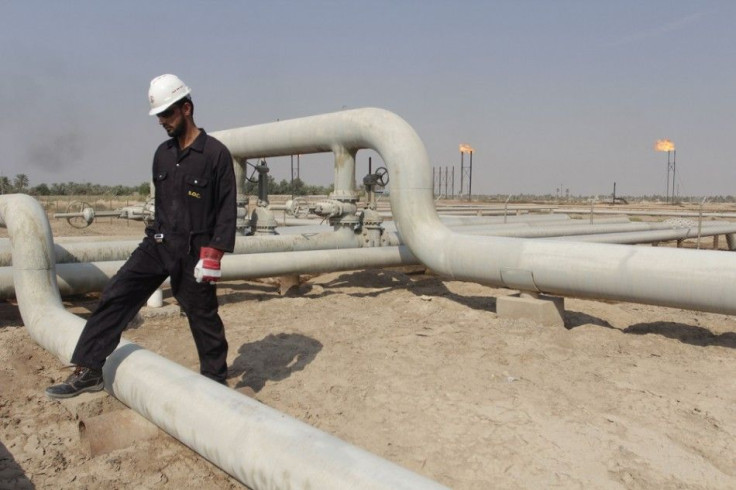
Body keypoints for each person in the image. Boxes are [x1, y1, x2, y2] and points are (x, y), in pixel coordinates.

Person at [46, 74, 237, 398]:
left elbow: (227, 208)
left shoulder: (215, 155)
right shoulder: (162, 154)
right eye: (159, 116)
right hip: (159, 243)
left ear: (187, 108)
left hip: (195, 250)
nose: (162, 121)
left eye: (167, 114)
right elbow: (162, 206)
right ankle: (89, 369)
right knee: (115, 296)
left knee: (203, 318)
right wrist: (155, 236)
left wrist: (214, 253)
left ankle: (216, 384)